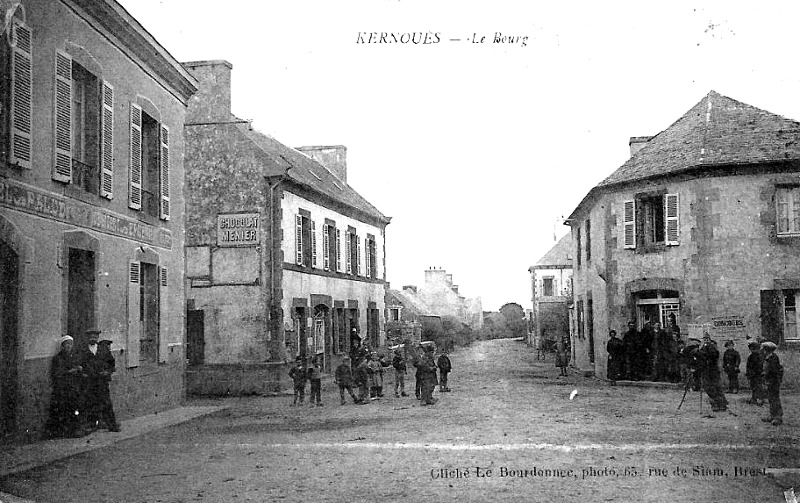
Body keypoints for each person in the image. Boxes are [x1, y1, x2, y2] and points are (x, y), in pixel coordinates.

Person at [45, 335, 86, 438]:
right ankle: (61, 432)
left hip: (73, 387)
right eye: (67, 344)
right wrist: (69, 371)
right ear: (62, 346)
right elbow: (57, 373)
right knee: (62, 409)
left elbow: (78, 368)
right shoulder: (58, 358)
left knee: (74, 408)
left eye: (71, 344)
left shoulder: (74, 357)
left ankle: (74, 430)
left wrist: (79, 369)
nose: (69, 346)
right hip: (62, 389)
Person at [81, 329, 120, 432]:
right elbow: (79, 364)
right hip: (89, 381)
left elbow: (111, 363)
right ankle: (92, 425)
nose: (92, 339)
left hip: (102, 381)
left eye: (94, 337)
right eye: (90, 337)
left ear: (97, 338)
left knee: (106, 402)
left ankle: (112, 425)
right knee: (90, 403)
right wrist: (83, 373)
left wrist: (108, 372)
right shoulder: (82, 350)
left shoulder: (103, 349)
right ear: (87, 338)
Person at [698, 334, 728, 412]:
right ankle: (716, 404)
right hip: (706, 371)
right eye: (705, 339)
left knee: (716, 387)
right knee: (708, 388)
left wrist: (707, 351)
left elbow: (714, 355)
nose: (706, 340)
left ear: (710, 339)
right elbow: (700, 357)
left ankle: (721, 404)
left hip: (713, 371)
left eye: (707, 339)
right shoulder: (703, 348)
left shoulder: (713, 348)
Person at [761, 341, 783, 426]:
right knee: (771, 398)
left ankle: (778, 417)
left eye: (763, 349)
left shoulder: (773, 358)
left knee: (775, 398)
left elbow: (773, 371)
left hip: (773, 381)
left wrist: (767, 377)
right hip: (769, 381)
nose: (762, 351)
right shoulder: (768, 357)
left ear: (767, 350)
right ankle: (772, 415)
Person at [745, 341, 765, 406]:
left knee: (758, 387)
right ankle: (754, 398)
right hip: (752, 374)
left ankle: (760, 399)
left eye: (753, 349)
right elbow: (748, 366)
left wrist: (760, 372)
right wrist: (748, 373)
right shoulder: (751, 356)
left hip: (758, 374)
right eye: (751, 349)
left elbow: (761, 365)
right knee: (753, 386)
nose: (752, 350)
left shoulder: (760, 356)